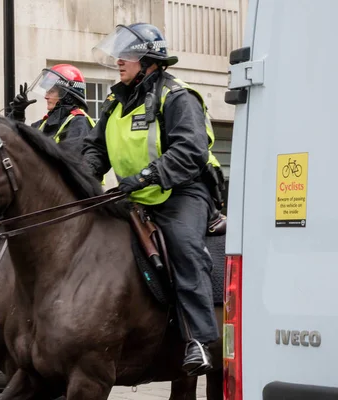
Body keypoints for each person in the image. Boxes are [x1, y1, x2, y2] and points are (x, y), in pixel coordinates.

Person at [81, 22, 226, 376]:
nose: (119, 61)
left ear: (150, 60)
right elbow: (95, 151)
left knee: (183, 245)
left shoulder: (177, 95)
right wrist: (80, 180)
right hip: (134, 193)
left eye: (127, 55)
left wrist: (145, 177)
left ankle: (199, 342)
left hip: (182, 190)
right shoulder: (116, 101)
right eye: (118, 55)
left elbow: (190, 150)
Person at [8, 64, 95, 155]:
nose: (46, 97)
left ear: (67, 95)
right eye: (47, 92)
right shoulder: (44, 123)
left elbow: (71, 160)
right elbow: (16, 144)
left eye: (51, 92)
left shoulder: (79, 121)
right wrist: (17, 113)